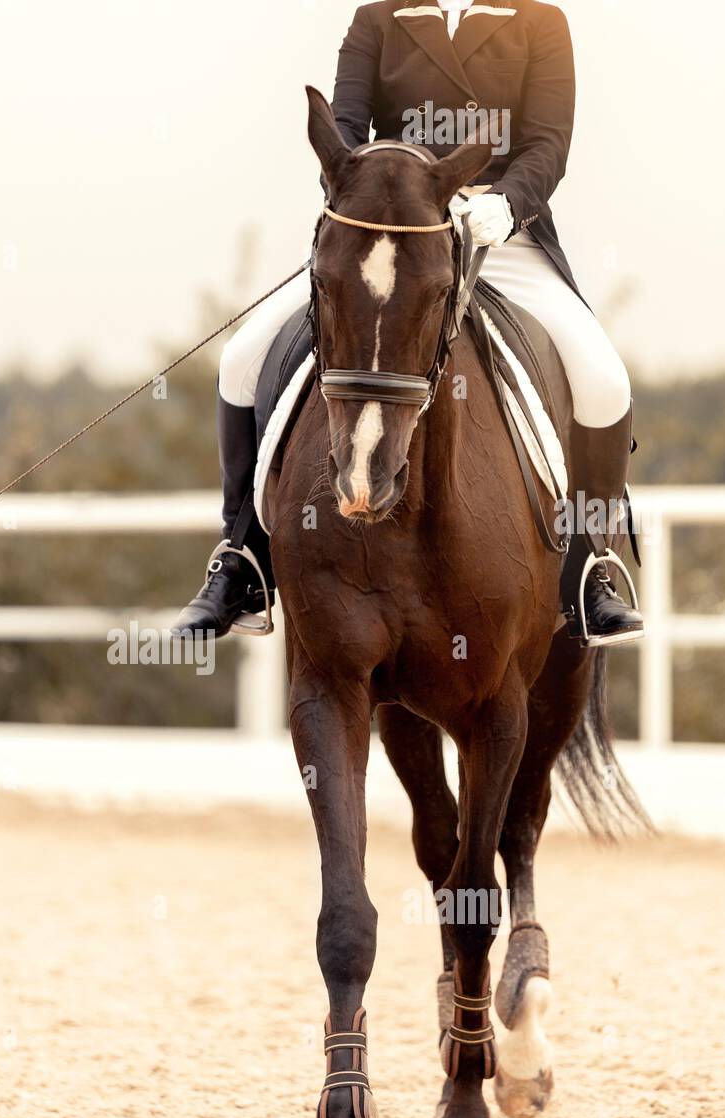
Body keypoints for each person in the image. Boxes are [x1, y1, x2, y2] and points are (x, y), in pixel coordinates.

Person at [174, 0, 644, 647]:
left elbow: (546, 144)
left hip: (498, 235)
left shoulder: (538, 21)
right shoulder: (378, 21)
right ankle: (241, 558)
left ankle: (587, 566)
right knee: (240, 360)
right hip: (391, 239)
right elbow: (342, 130)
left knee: (602, 381)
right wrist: (372, 198)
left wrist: (507, 205)